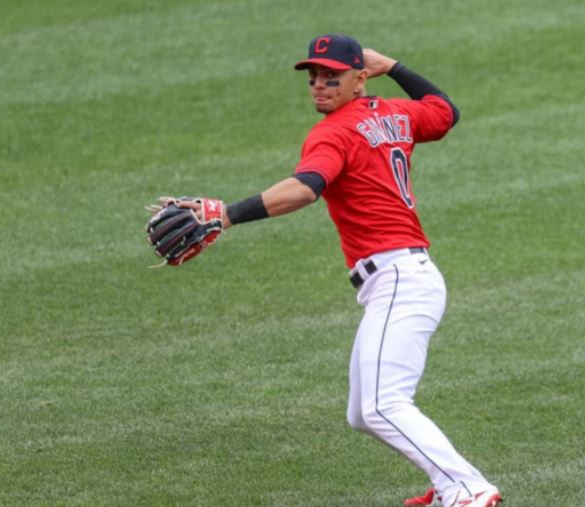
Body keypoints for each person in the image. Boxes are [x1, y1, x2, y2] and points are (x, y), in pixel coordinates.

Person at [176, 34, 501, 507]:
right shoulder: (395, 114)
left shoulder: (335, 132)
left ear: (358, 78)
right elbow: (445, 110)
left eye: (333, 76)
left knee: (381, 405)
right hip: (406, 277)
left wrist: (227, 214)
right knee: (362, 411)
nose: (320, 85)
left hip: (398, 280)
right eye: (313, 77)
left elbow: (306, 188)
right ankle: (452, 484)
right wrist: (393, 66)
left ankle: (469, 487)